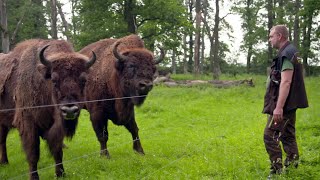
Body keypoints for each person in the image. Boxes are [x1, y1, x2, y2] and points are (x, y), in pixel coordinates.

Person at [262, 25, 308, 178]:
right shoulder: (294, 52)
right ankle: (293, 167)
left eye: (271, 36)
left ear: (279, 36)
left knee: (269, 136)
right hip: (292, 103)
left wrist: (279, 108)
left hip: (285, 105)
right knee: (288, 135)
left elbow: (286, 82)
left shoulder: (286, 55)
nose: (269, 40)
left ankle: (277, 171)